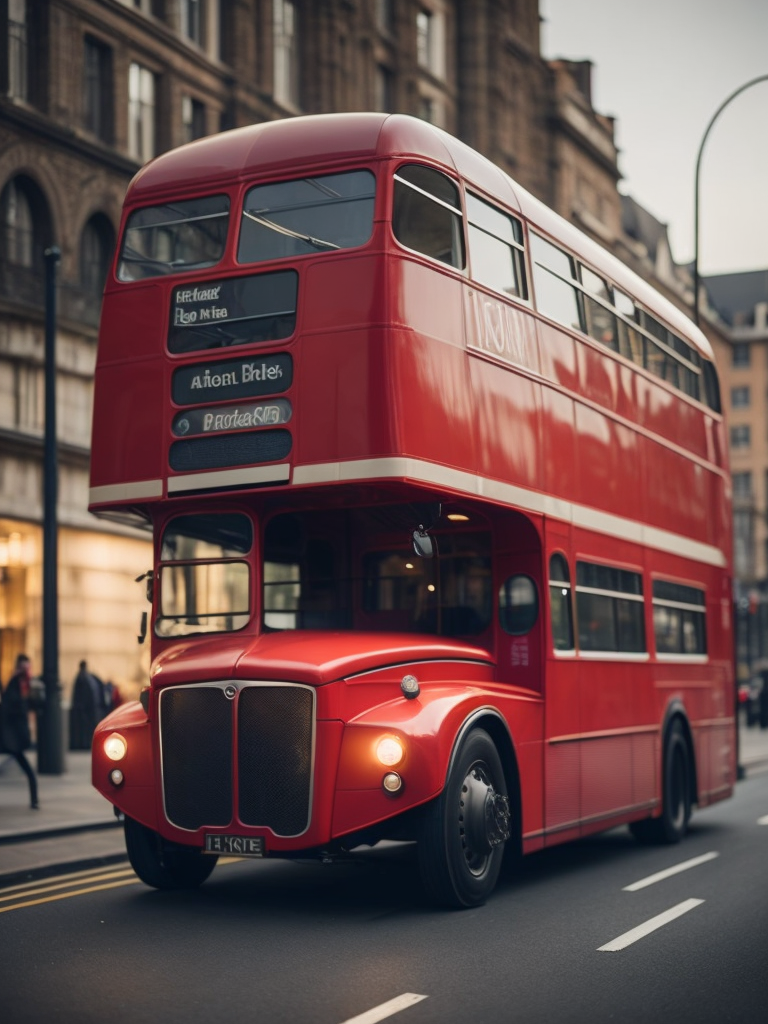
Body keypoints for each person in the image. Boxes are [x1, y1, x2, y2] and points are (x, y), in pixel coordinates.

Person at [0, 653, 39, 809]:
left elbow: (32, 705)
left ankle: (34, 800)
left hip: (14, 736)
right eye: (23, 668)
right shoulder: (14, 684)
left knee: (27, 769)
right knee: (26, 768)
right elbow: (11, 707)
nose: (26, 671)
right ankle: (34, 800)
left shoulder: (28, 685)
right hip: (9, 735)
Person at [69, 659, 103, 750]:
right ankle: (86, 744)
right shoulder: (88, 677)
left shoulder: (81, 677)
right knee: (87, 728)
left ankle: (84, 744)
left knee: (83, 729)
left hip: (84, 709)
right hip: (88, 709)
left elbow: (78, 695)